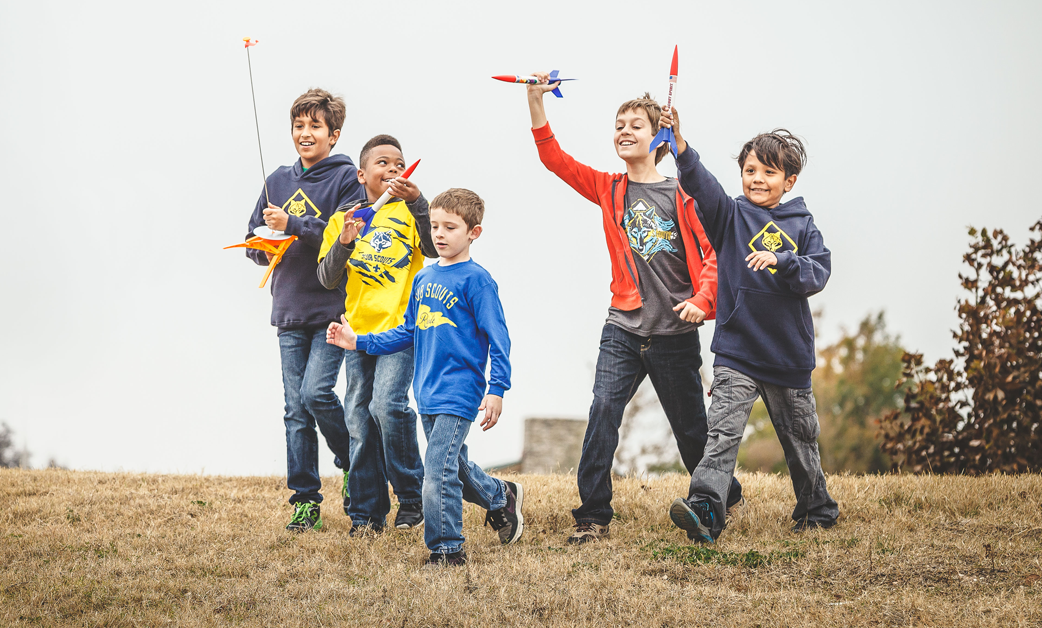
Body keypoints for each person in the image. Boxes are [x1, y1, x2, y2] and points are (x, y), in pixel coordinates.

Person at [523, 75, 741, 545]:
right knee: (603, 409)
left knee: (691, 431)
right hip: (622, 326)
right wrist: (535, 98)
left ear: (658, 137)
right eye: (618, 125)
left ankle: (724, 492)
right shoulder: (609, 188)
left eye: (635, 125)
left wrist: (702, 302)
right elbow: (553, 159)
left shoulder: (683, 195)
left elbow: (711, 258)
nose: (623, 131)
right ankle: (593, 516)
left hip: (674, 334)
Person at [660, 107, 839, 543]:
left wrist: (782, 260)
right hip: (736, 354)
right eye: (749, 170)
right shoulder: (730, 217)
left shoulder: (802, 225)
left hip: (787, 357)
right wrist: (680, 146)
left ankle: (817, 509)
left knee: (800, 441)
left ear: (789, 181)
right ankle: (706, 509)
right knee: (720, 435)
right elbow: (702, 186)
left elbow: (818, 273)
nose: (757, 179)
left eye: (768, 172)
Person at [327, 188, 522, 568]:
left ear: (473, 233)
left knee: (438, 472)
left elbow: (499, 338)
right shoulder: (423, 278)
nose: (440, 234)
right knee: (452, 464)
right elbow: (406, 332)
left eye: (451, 227)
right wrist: (359, 341)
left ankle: (447, 548)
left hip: (460, 390)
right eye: (434, 225)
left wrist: (496, 388)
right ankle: (500, 495)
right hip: (427, 391)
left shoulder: (478, 281)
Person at [246, 88, 363, 532]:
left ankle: (353, 461)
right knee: (295, 409)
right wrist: (262, 245)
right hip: (289, 310)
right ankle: (305, 500)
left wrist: (292, 224)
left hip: (333, 308)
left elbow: (343, 236)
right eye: (299, 126)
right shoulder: (276, 179)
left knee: (317, 394)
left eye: (315, 126)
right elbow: (255, 237)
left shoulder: (347, 179)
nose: (305, 133)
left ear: (334, 134)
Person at [318, 135, 434, 534]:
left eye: (399, 163)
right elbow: (327, 277)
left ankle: (412, 495)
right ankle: (366, 513)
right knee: (358, 418)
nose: (393, 169)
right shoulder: (343, 220)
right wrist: (346, 242)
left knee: (387, 406)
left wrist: (419, 202)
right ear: (362, 174)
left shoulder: (411, 214)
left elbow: (435, 248)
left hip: (400, 330)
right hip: (357, 335)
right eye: (383, 163)